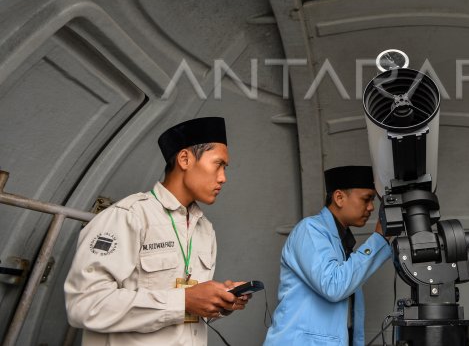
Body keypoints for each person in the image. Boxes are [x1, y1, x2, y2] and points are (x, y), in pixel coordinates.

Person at [64, 116, 251, 345]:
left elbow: (187, 315)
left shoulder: (205, 229)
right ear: (185, 159)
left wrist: (218, 302)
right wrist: (182, 301)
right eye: (218, 164)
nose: (223, 178)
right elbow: (84, 306)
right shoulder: (128, 216)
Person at [264, 165, 391, 346]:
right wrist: (378, 239)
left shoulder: (341, 242)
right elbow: (333, 285)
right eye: (366, 199)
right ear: (339, 197)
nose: (371, 207)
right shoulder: (310, 230)